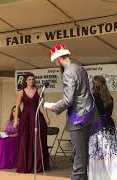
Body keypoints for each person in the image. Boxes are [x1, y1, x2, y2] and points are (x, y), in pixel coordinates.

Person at [46, 44, 99, 180]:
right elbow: (79, 94)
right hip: (87, 115)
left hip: (78, 118)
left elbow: (69, 100)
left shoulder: (68, 72)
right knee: (82, 154)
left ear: (57, 60)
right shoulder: (80, 68)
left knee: (79, 157)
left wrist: (55, 107)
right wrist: (61, 102)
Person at [13, 72, 51, 173]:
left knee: (38, 141)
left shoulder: (38, 90)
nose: (31, 81)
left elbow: (43, 105)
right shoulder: (21, 92)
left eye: (33, 79)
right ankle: (26, 165)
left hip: (37, 117)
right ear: (26, 81)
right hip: (25, 119)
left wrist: (47, 118)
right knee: (25, 141)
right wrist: (16, 120)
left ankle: (38, 165)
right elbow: (17, 107)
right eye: (29, 79)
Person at [89, 75, 117, 180]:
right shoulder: (110, 98)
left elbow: (90, 114)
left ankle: (97, 177)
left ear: (94, 85)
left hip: (97, 130)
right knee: (109, 155)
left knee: (98, 155)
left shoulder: (92, 98)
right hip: (109, 129)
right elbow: (108, 114)